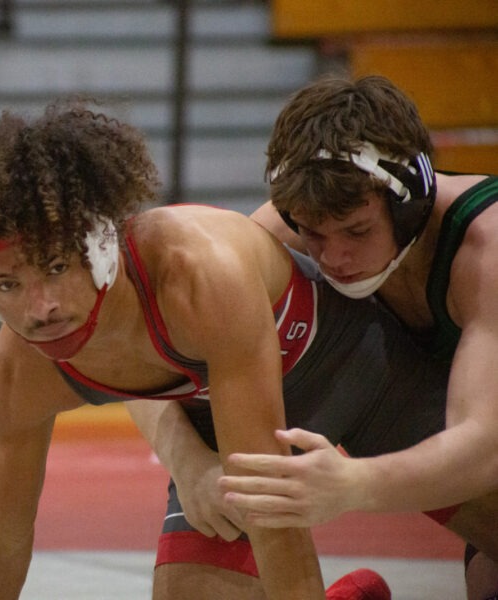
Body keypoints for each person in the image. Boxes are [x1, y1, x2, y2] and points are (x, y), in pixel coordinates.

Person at [0, 102, 455, 599]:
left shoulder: (194, 275)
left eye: (56, 267)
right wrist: (189, 464)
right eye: (7, 285)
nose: (41, 307)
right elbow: (1, 537)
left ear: (100, 250)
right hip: (228, 418)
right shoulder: (17, 373)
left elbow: (269, 508)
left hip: (357, 363)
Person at [209, 74, 498, 598]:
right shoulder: (284, 226)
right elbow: (160, 335)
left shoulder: (487, 248)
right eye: (312, 234)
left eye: (357, 231)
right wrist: (188, 464)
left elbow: (485, 451)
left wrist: (352, 484)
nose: (333, 257)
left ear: (410, 202)